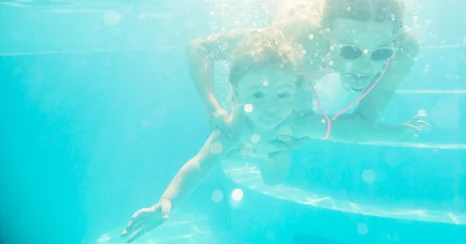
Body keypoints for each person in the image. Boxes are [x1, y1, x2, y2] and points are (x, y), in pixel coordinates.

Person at [122, 30, 428, 243]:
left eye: (282, 94)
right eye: (258, 94)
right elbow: (199, 165)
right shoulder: (234, 128)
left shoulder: (297, 121)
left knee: (273, 176)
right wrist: (166, 202)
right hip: (248, 141)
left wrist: (396, 131)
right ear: (237, 94)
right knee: (233, 152)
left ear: (295, 91)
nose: (271, 107)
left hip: (274, 147)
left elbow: (348, 132)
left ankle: (267, 153)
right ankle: (257, 150)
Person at [187, 0, 419, 134]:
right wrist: (212, 107)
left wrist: (311, 125)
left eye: (381, 53)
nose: (364, 68)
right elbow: (201, 48)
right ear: (328, 34)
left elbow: (364, 119)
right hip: (294, 5)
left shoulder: (404, 48)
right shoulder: (296, 39)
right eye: (350, 52)